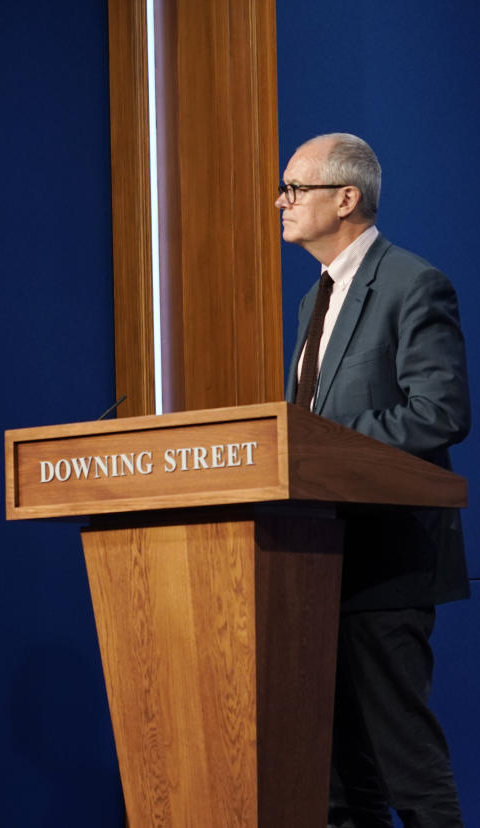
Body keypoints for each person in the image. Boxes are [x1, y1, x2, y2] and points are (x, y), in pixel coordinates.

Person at [279, 133, 469, 827]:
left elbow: (439, 413)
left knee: (405, 769)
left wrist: (321, 447)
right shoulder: (313, 302)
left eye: (294, 188)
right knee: (336, 782)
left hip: (386, 564)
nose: (281, 202)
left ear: (347, 198)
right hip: (314, 563)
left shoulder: (413, 283)